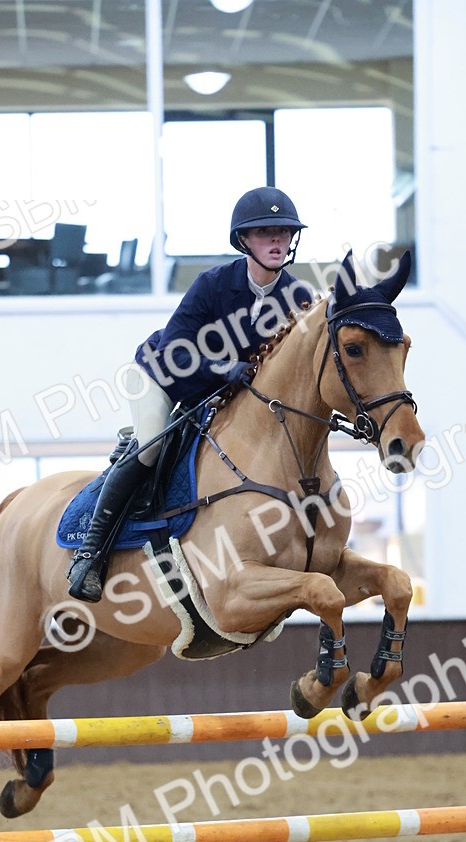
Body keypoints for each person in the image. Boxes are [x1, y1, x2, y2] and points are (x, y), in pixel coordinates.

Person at [67, 186, 312, 602]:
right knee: (151, 446)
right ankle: (90, 552)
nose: (277, 241)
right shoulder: (213, 284)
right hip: (163, 375)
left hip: (230, 395)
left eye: (285, 232)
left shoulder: (298, 297)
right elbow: (175, 352)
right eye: (265, 232)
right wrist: (222, 370)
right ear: (243, 241)